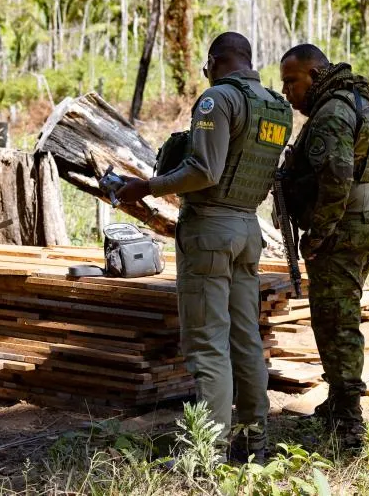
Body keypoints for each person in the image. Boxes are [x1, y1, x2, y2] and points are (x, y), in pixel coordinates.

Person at [117, 31, 293, 462]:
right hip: (247, 230)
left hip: (210, 230)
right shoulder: (277, 107)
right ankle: (255, 441)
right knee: (245, 338)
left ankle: (208, 452)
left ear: (215, 61)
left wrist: (147, 187)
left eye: (206, 66)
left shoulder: (218, 100)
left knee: (209, 342)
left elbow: (205, 170)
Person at [277, 43, 369, 451]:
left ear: (315, 73)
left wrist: (318, 234)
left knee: (336, 322)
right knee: (337, 316)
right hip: (360, 224)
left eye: (292, 80)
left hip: (340, 232)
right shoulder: (357, 100)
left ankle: (349, 422)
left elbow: (337, 179)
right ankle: (339, 400)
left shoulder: (331, 114)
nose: (287, 92)